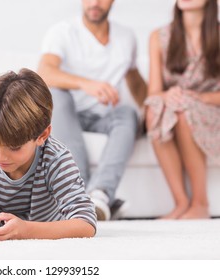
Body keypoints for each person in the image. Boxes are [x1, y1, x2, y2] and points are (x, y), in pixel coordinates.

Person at [37, 0, 147, 220]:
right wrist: (86, 83)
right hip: (68, 114)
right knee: (57, 96)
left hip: (104, 116)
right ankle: (80, 193)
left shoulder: (126, 37)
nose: (95, 3)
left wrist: (154, 107)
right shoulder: (62, 32)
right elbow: (44, 72)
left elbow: (135, 82)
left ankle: (100, 195)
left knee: (129, 114)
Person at [0, 68, 97, 240]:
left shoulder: (56, 159)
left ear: (42, 136)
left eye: (14, 147)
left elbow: (86, 224)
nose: (0, 157)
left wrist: (26, 230)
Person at [145, 0, 220, 219]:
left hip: (210, 109)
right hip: (174, 107)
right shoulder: (158, 37)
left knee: (184, 109)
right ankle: (180, 202)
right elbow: (154, 92)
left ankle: (200, 203)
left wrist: (199, 97)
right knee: (154, 107)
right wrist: (167, 95)